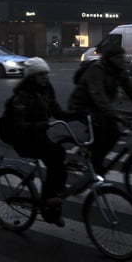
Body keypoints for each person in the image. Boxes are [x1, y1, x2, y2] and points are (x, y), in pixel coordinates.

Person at [5, 57, 81, 227]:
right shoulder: (22, 95)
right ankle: (49, 203)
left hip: (39, 136)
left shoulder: (47, 90)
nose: (45, 77)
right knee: (56, 154)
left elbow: (59, 113)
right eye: (41, 75)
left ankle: (53, 202)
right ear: (32, 77)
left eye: (46, 74)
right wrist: (37, 124)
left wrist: (80, 114)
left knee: (58, 158)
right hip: (23, 139)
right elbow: (18, 125)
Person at [68, 45, 132, 176]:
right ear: (110, 59)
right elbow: (98, 95)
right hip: (82, 105)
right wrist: (115, 114)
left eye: (122, 58)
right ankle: (94, 161)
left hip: (99, 106)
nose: (122, 61)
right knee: (99, 128)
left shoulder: (119, 71)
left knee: (114, 133)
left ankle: (95, 156)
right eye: (118, 58)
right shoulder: (97, 69)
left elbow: (131, 90)